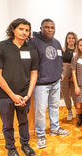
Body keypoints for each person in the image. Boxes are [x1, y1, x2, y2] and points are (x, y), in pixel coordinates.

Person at [0, 18, 38, 156]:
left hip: (24, 94)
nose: (25, 32)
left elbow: (34, 73)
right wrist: (12, 95)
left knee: (24, 122)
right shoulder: (0, 47)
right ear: (13, 30)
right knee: (7, 124)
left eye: (27, 30)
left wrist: (28, 94)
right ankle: (11, 148)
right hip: (5, 95)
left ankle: (25, 145)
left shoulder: (31, 50)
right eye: (21, 29)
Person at [29, 18, 69, 149]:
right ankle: (40, 135)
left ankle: (54, 128)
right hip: (41, 83)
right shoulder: (34, 42)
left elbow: (59, 59)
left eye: (52, 27)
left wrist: (60, 72)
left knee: (54, 107)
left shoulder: (56, 42)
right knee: (40, 110)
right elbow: (31, 62)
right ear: (41, 28)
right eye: (46, 27)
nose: (50, 29)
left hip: (55, 82)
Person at [61, 32, 78, 121]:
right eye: (69, 38)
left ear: (75, 39)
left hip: (74, 72)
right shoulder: (63, 49)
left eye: (72, 38)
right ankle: (69, 110)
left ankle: (77, 111)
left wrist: (74, 75)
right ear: (66, 39)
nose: (71, 40)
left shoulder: (77, 50)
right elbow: (59, 62)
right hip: (64, 72)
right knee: (65, 93)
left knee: (75, 94)